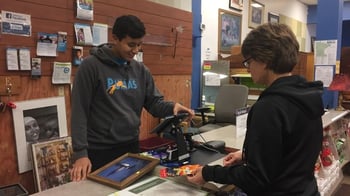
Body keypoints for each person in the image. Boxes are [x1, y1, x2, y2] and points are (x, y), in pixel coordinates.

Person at [187, 23, 325, 195]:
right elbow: (293, 150)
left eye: (249, 61)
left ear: (264, 60)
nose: (248, 67)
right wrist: (249, 155)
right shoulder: (306, 96)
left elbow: (256, 178)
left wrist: (208, 173)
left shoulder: (269, 107)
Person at [69, 15, 194, 181]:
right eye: (131, 44)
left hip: (130, 147)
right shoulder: (91, 67)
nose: (135, 50)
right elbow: (79, 112)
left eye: (139, 44)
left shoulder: (141, 71)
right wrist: (80, 154)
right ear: (115, 38)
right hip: (98, 151)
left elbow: (154, 103)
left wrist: (173, 107)